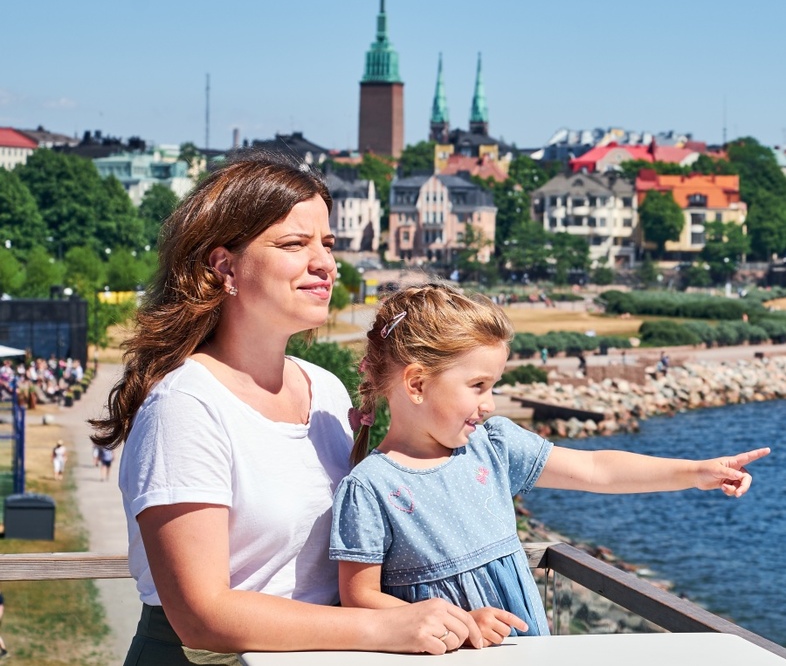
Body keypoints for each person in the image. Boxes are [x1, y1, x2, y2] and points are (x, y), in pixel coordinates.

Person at [90, 153, 485, 665]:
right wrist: (384, 627)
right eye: (295, 244)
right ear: (224, 266)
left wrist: (446, 616)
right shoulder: (185, 408)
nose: (325, 263)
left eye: (328, 243)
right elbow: (200, 615)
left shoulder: (324, 390)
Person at [330, 283, 770, 645]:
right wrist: (459, 626)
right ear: (418, 383)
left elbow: (598, 470)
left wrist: (695, 473)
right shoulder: (370, 487)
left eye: (493, 385)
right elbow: (358, 596)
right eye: (479, 385)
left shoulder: (493, 447)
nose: (490, 403)